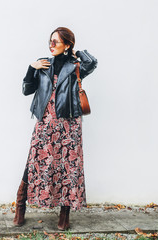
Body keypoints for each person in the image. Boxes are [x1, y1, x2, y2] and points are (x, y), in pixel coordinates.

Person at [13, 27, 98, 230]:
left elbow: (92, 62)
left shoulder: (75, 66)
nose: (51, 45)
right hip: (45, 122)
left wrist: (76, 53)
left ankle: (64, 215)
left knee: (68, 167)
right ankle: (20, 206)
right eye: (50, 41)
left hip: (69, 124)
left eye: (56, 42)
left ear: (67, 45)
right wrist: (31, 68)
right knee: (34, 162)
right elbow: (27, 90)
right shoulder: (42, 64)